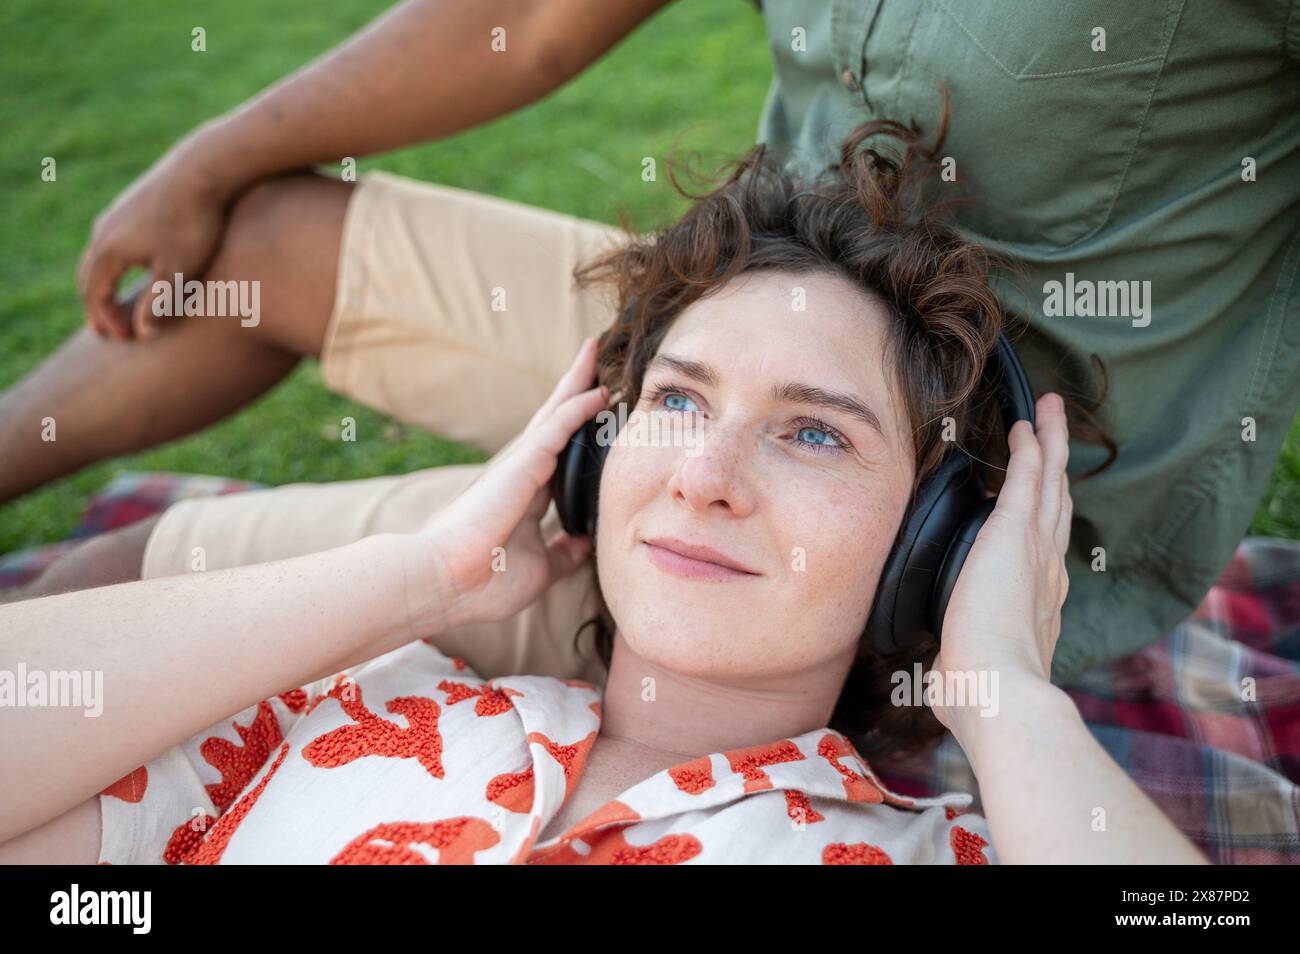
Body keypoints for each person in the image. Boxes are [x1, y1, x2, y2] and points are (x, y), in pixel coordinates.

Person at [1, 0, 1296, 700]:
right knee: (268, 234)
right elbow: (532, 15)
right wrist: (207, 155)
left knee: (102, 598)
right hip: (730, 336)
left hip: (954, 502)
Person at [0, 122, 1208, 863]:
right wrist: (416, 574)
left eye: (814, 435)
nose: (702, 478)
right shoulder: (335, 710)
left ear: (930, 556)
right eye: (677, 401)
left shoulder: (933, 847)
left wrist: (1003, 696)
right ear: (589, 452)